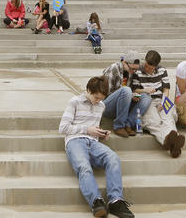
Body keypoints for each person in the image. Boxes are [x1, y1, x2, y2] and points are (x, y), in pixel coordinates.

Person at [58, 76, 135, 218]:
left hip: (93, 143)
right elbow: (63, 128)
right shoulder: (74, 102)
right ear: (88, 90)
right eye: (96, 97)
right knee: (84, 166)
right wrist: (87, 129)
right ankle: (96, 202)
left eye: (101, 98)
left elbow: (94, 128)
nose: (98, 101)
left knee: (113, 158)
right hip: (75, 142)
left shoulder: (101, 106)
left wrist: (102, 133)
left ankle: (116, 201)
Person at [129, 50, 185, 158]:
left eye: (150, 67)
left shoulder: (162, 70)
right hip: (147, 100)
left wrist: (164, 102)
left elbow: (166, 89)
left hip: (162, 99)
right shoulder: (138, 71)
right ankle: (172, 144)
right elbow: (135, 90)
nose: (147, 69)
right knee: (155, 121)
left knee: (168, 119)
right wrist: (145, 90)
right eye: (146, 65)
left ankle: (172, 142)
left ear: (156, 66)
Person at [100, 49, 140, 137]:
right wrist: (127, 94)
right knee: (126, 90)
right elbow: (105, 94)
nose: (134, 71)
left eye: (136, 69)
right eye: (132, 69)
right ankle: (119, 126)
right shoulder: (114, 68)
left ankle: (128, 124)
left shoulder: (130, 72)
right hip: (106, 105)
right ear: (124, 62)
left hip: (122, 105)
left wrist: (132, 96)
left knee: (146, 98)